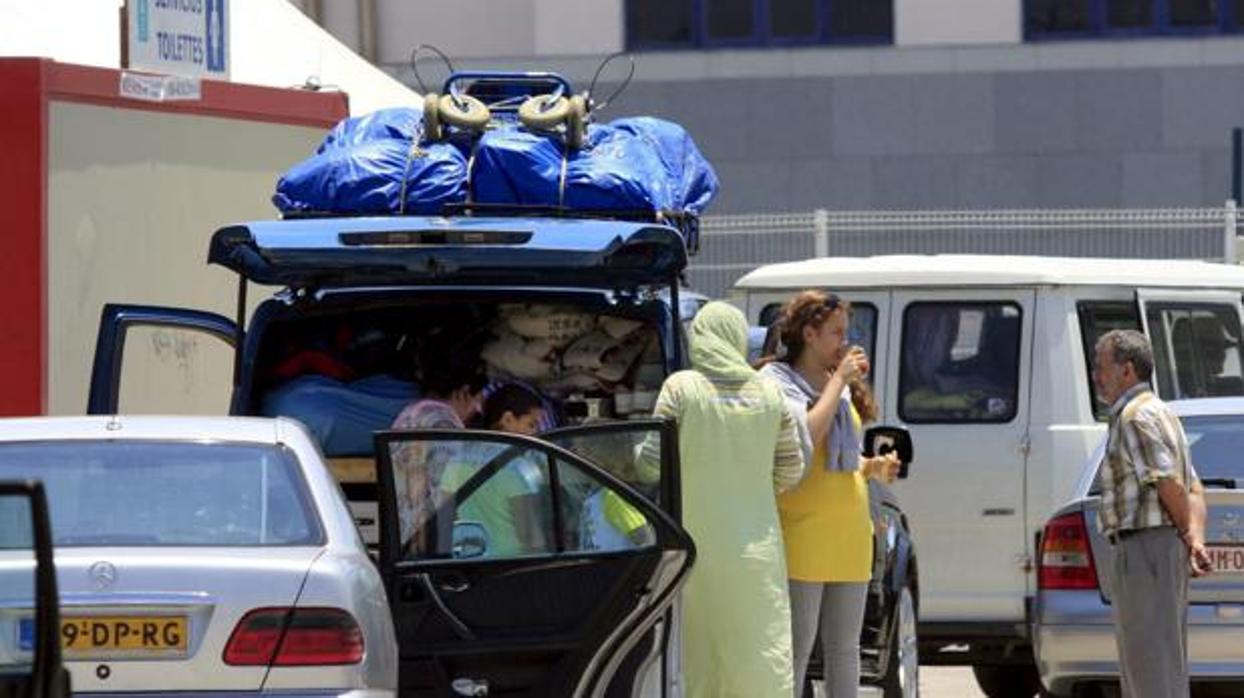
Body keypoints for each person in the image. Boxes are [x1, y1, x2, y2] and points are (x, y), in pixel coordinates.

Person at [643, 301, 805, 698]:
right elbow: (791, 470)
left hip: (694, 553)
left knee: (700, 656)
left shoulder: (680, 389)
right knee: (758, 655)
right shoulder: (769, 393)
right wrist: (748, 482)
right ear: (737, 340)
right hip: (756, 557)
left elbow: (650, 464)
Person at [757, 290, 899, 698]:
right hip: (803, 534)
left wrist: (872, 466)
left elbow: (842, 457)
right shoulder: (779, 383)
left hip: (849, 536)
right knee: (797, 651)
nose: (844, 341)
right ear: (809, 333)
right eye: (836, 332)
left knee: (844, 650)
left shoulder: (837, 384)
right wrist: (839, 381)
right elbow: (804, 436)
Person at [1092, 329, 1212, 698]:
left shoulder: (1134, 416)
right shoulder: (1163, 413)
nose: (1097, 376)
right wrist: (1195, 536)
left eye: (1102, 366)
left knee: (1149, 664)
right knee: (1160, 660)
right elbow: (1194, 487)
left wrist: (1188, 534)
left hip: (1147, 548)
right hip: (1157, 547)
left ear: (1127, 370)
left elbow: (1168, 483)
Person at [389, 353, 488, 556]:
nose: (478, 409)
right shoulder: (445, 423)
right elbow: (447, 489)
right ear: (464, 392)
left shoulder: (409, 414)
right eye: (477, 399)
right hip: (431, 542)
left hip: (403, 537)